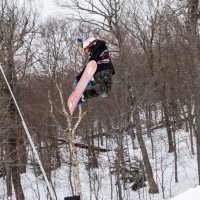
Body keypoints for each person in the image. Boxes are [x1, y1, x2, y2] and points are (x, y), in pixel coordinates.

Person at [75, 37, 115, 104]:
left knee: (104, 92)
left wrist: (78, 78)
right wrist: (82, 44)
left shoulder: (96, 50)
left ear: (90, 45)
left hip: (101, 71)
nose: (87, 52)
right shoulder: (99, 48)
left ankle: (85, 93)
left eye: (86, 50)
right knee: (104, 92)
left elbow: (89, 65)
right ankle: (84, 95)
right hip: (107, 70)